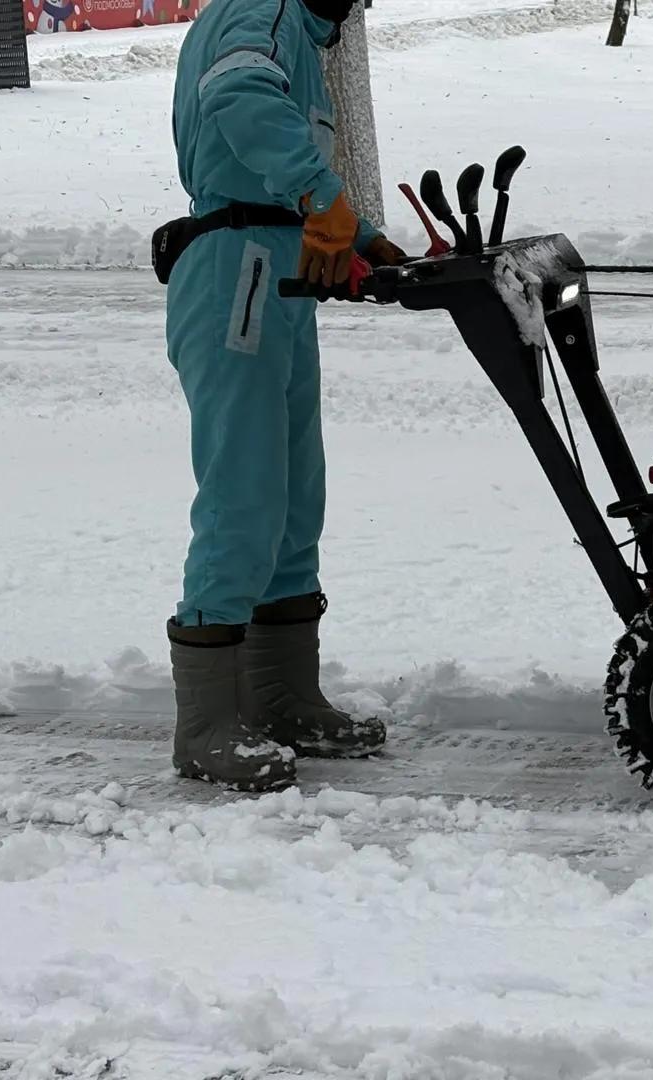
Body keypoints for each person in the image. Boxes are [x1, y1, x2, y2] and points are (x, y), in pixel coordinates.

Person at [159, 0, 405, 791]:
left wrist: (365, 239)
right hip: (241, 268)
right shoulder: (263, 9)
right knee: (247, 489)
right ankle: (206, 723)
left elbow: (282, 170)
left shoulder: (292, 30)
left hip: (276, 265)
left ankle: (282, 695)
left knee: (297, 492)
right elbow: (237, 99)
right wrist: (319, 194)